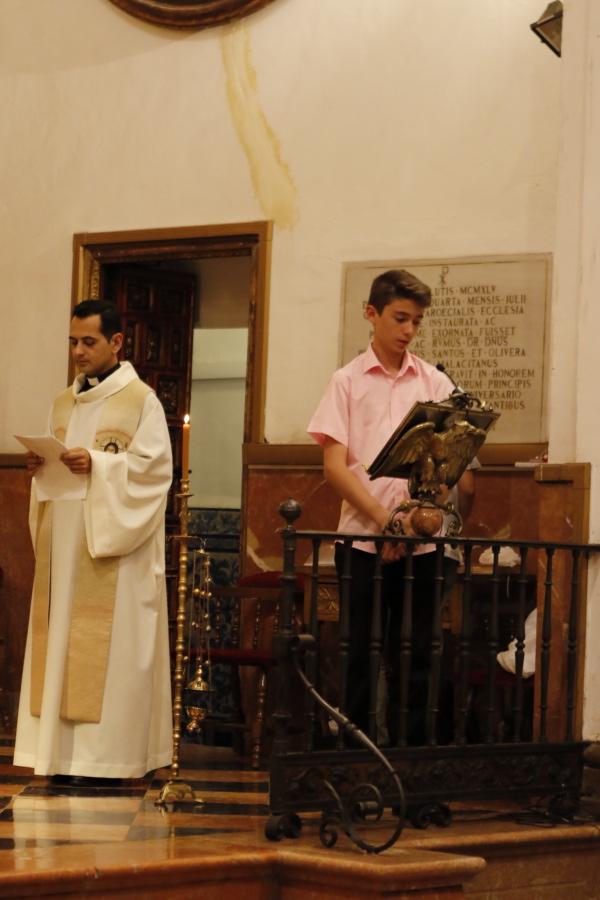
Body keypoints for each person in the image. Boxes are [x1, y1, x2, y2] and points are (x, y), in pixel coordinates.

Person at [13, 300, 173, 784]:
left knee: (111, 651)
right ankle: (60, 758)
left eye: (89, 342)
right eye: (73, 342)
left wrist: (100, 466)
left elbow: (154, 472)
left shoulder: (141, 400)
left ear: (116, 342)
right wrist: (41, 466)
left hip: (112, 552)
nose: (78, 352)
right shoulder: (64, 402)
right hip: (64, 547)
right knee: (59, 645)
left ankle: (106, 761)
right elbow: (56, 464)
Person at [308, 269, 465, 745]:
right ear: (371, 314)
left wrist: (413, 523)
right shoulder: (346, 381)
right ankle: (354, 764)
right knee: (359, 655)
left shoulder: (435, 381)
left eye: (416, 321)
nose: (409, 330)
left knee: (417, 658)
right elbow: (335, 468)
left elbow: (448, 463)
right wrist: (385, 523)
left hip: (422, 543)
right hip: (362, 540)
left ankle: (409, 764)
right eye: (400, 318)